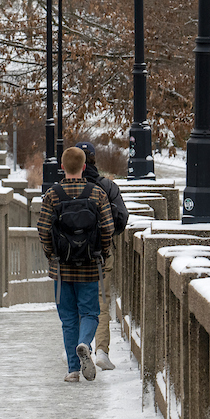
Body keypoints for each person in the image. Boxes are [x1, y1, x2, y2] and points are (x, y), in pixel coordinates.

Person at [37, 146, 114, 382]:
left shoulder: (53, 194)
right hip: (90, 265)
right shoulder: (96, 193)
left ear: (62, 166)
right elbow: (108, 228)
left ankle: (72, 370)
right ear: (83, 167)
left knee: (68, 318)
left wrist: (52, 255)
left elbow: (43, 229)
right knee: (91, 312)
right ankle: (85, 343)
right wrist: (100, 252)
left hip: (61, 267)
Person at [75, 141, 129, 371]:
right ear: (95, 159)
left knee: (77, 302)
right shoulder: (107, 186)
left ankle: (80, 345)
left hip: (73, 256)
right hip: (102, 254)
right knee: (101, 300)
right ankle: (101, 351)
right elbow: (122, 218)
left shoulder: (66, 187)